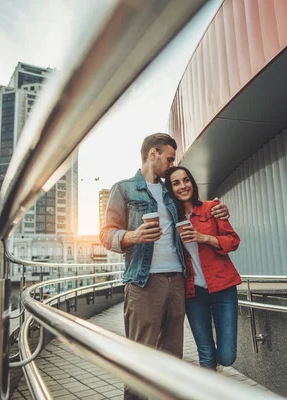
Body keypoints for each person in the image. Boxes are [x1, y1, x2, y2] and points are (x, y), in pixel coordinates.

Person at [99, 133, 229, 400]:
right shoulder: (123, 189)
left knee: (171, 358)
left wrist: (218, 209)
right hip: (144, 283)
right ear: (153, 154)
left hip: (178, 281)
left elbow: (197, 207)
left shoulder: (170, 192)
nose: (172, 164)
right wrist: (132, 236)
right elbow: (105, 234)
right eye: (169, 158)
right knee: (140, 358)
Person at [164, 166, 241, 372]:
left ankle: (219, 365)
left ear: (192, 183)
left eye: (186, 180)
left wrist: (204, 238)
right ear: (171, 190)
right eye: (176, 183)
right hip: (193, 293)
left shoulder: (212, 208)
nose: (183, 186)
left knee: (226, 356)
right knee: (206, 354)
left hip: (223, 288)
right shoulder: (171, 220)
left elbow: (233, 241)